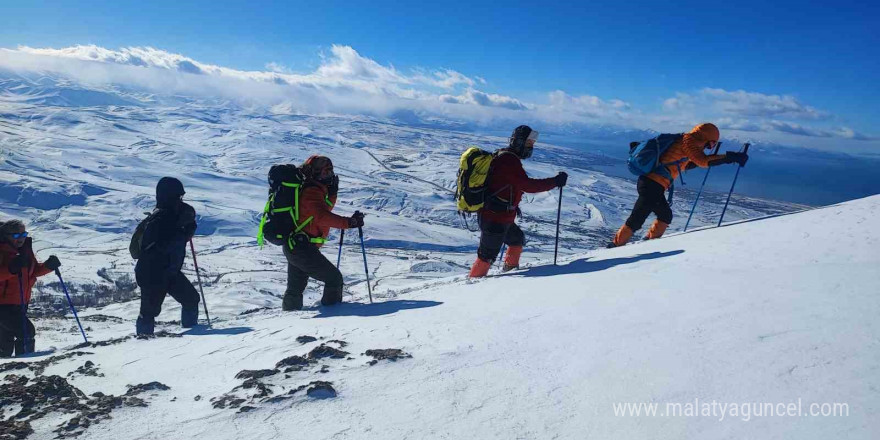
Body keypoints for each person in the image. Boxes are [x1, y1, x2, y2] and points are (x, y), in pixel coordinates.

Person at [610, 122, 749, 247]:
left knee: (663, 216)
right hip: (652, 184)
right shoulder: (689, 141)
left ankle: (648, 243)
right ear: (706, 137)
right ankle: (617, 246)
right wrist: (730, 157)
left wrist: (725, 159)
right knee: (638, 218)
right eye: (712, 143)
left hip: (652, 184)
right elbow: (703, 161)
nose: (710, 147)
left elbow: (683, 164)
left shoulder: (686, 142)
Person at [469, 125, 568, 278]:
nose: (531, 147)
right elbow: (527, 185)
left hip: (500, 215)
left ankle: (510, 272)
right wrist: (555, 181)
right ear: (520, 142)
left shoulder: (504, 155)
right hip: (495, 217)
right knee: (486, 256)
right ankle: (471, 285)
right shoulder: (509, 160)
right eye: (529, 143)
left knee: (516, 239)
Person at [280, 155, 365, 311]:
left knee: (295, 288)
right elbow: (321, 216)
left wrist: (332, 193)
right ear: (314, 172)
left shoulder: (311, 188)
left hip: (296, 245)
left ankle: (289, 317)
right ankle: (331, 315)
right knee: (334, 279)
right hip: (302, 248)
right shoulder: (312, 191)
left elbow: (322, 209)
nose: (328, 176)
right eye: (325, 173)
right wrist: (349, 223)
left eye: (330, 172)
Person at [134, 177, 200, 336]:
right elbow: (162, 245)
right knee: (149, 312)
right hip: (153, 275)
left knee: (191, 299)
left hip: (168, 271)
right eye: (178, 197)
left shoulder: (168, 215)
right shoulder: (160, 219)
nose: (180, 200)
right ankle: (141, 345)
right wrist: (185, 232)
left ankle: (194, 337)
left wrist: (185, 230)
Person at [0, 219, 60, 357]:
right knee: (26, 332)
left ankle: (6, 368)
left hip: (20, 303)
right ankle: (26, 365)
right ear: (5, 235)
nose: (21, 238)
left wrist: (48, 266)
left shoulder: (25, 252)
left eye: (23, 234)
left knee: (6, 338)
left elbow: (32, 272)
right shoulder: (2, 252)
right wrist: (11, 269)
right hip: (3, 305)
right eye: (16, 235)